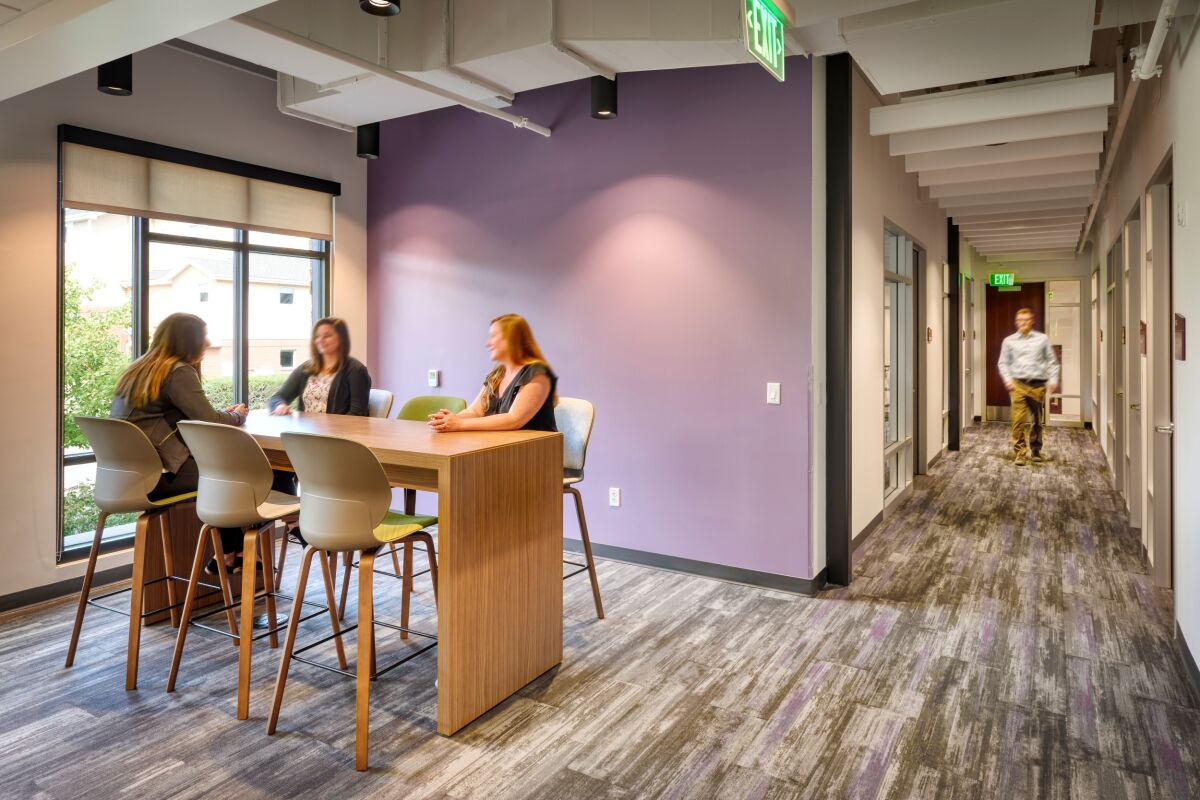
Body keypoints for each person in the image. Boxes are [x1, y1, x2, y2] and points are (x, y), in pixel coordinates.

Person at [110, 313, 248, 572]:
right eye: (203, 337)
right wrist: (238, 416)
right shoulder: (177, 370)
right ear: (187, 340)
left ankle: (232, 553)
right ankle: (236, 553)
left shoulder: (140, 369)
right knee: (232, 476)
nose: (208, 343)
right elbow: (209, 420)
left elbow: (190, 416)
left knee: (223, 474)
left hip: (123, 478)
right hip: (156, 477)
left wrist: (221, 415)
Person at [429, 314, 558, 433]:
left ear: (511, 339)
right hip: (501, 444)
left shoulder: (538, 373)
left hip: (535, 448)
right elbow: (475, 411)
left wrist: (460, 424)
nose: (488, 343)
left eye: (493, 336)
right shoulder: (498, 374)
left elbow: (514, 419)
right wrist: (450, 419)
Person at [268, 317, 371, 417]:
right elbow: (277, 397)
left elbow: (358, 413)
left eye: (327, 336)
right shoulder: (306, 368)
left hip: (338, 429)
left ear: (341, 339)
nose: (320, 340)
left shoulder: (355, 370)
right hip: (304, 427)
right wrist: (280, 405)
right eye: (317, 336)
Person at [998, 307, 1060, 466]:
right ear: (1016, 322)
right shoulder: (1008, 341)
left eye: (1026, 320)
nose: (1023, 323)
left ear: (1032, 321)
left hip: (1037, 386)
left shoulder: (1042, 339)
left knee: (1037, 420)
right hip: (1017, 385)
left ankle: (1036, 449)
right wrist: (1008, 380)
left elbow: (1052, 362)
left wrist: (1053, 380)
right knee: (1018, 421)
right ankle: (1020, 453)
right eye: (1020, 320)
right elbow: (1003, 363)